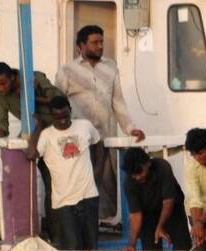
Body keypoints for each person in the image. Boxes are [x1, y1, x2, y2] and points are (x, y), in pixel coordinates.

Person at [55, 24, 145, 226]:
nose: (100, 46)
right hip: (79, 138)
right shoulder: (67, 71)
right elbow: (57, 102)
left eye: (102, 42)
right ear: (81, 46)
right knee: (81, 178)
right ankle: (81, 223)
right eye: (95, 42)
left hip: (105, 135)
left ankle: (107, 222)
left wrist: (130, 128)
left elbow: (118, 102)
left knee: (108, 179)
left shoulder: (111, 67)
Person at [0, 61, 64, 232]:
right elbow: (1, 127)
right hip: (35, 138)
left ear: (13, 77)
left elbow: (60, 101)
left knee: (58, 186)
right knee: (36, 186)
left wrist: (30, 97)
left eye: (3, 84)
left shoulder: (33, 78)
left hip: (59, 134)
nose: (0, 88)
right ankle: (43, 231)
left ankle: (60, 232)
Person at [30, 97, 104, 251]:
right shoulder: (46, 135)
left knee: (92, 247)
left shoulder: (85, 125)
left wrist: (98, 169)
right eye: (57, 118)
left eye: (65, 116)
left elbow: (98, 143)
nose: (62, 121)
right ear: (51, 117)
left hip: (89, 196)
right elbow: (31, 154)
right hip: (64, 202)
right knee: (72, 248)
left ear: (70, 111)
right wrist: (38, 127)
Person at [120, 148, 191, 251]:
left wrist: (160, 226)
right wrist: (132, 244)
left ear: (147, 163)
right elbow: (135, 214)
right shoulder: (128, 181)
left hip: (173, 209)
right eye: (134, 175)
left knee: (183, 247)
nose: (138, 177)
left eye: (140, 172)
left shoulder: (163, 167)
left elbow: (168, 201)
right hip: (148, 214)